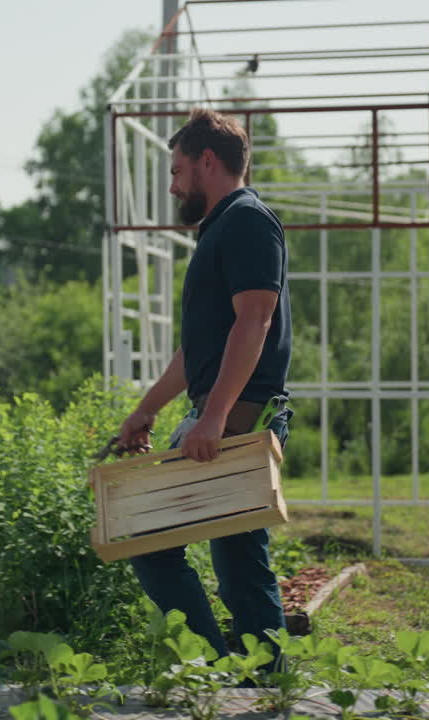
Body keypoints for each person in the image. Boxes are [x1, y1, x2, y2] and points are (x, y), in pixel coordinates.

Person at [116, 107, 293, 658]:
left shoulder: (246, 220)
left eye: (176, 171)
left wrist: (214, 417)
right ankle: (253, 670)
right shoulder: (223, 228)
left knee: (152, 536)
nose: (172, 186)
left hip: (238, 415)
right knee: (233, 552)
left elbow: (255, 321)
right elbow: (201, 350)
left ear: (207, 162)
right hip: (221, 411)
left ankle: (223, 666)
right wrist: (146, 410)